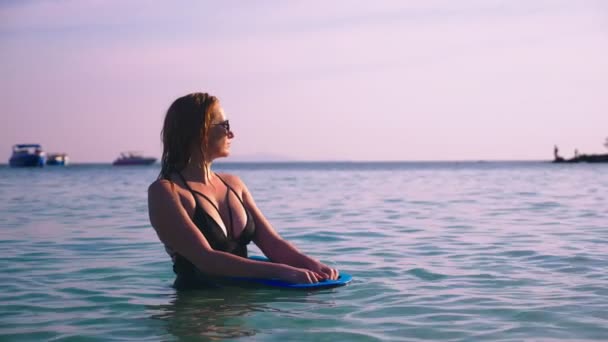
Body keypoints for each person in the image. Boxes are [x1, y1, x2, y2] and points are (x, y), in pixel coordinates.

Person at [148, 92, 338, 289]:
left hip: (240, 309)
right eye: (225, 125)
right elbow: (207, 260)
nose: (231, 134)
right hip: (195, 310)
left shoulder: (234, 184)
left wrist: (310, 264)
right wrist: (283, 271)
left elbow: (272, 243)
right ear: (200, 131)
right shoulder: (166, 192)